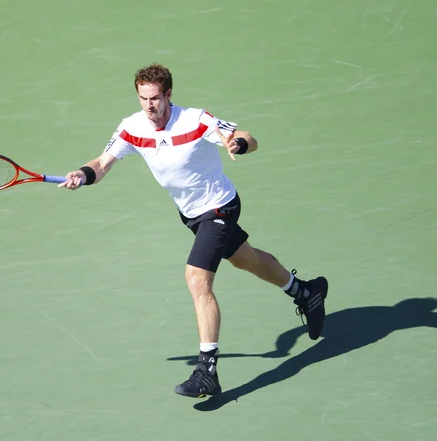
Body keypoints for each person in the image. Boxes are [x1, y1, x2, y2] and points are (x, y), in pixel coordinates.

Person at [59, 63, 329, 398]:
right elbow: (101, 164)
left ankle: (207, 371)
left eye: (155, 98)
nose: (149, 106)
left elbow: (246, 137)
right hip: (191, 214)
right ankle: (305, 292)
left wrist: (238, 146)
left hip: (219, 206)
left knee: (197, 279)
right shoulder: (131, 127)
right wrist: (82, 176)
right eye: (143, 98)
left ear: (168, 94)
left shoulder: (196, 119)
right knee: (245, 259)